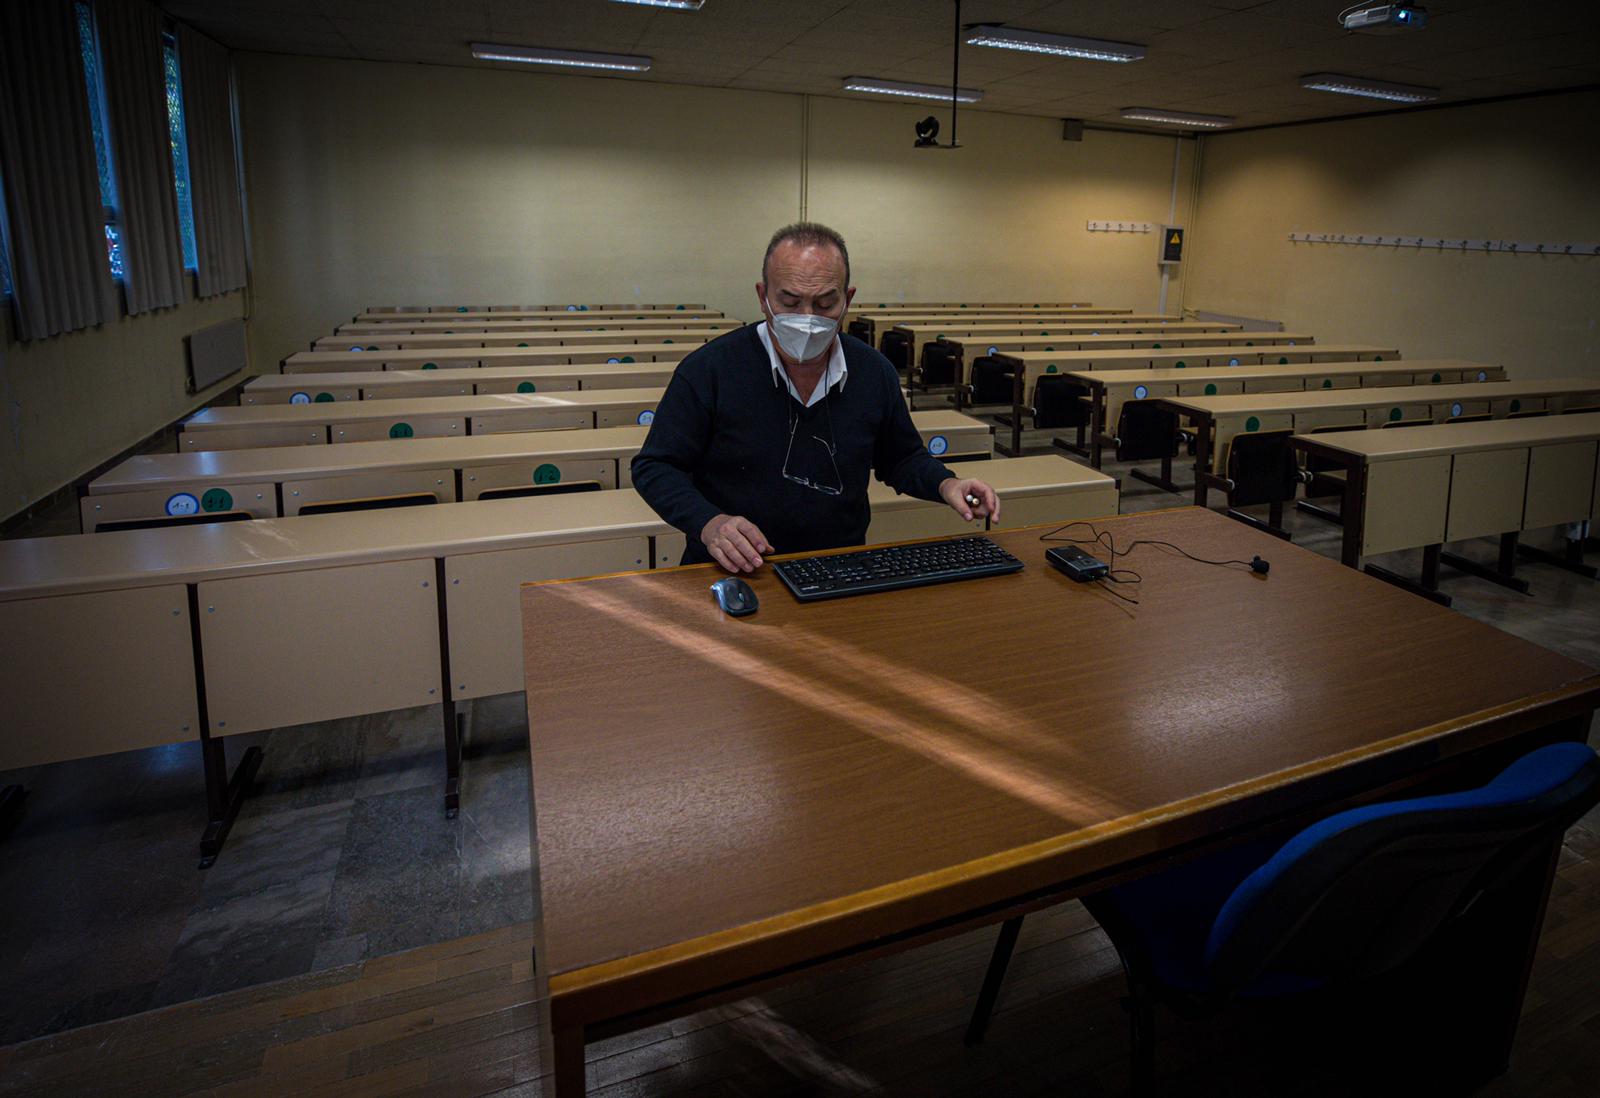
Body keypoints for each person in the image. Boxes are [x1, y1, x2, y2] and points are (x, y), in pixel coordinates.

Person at [632, 222, 1000, 573]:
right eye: (790, 301)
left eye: (825, 304)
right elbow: (656, 467)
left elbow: (900, 457)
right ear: (763, 297)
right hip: (732, 568)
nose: (807, 318)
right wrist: (709, 523)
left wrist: (946, 483)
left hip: (838, 564)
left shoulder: (874, 372)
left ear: (848, 299)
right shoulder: (709, 370)